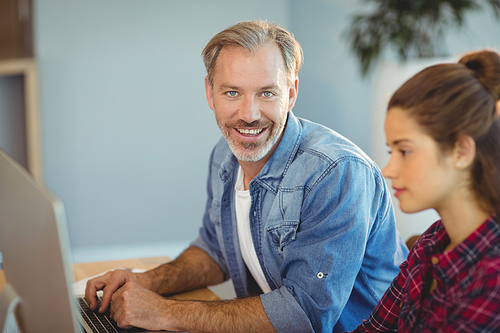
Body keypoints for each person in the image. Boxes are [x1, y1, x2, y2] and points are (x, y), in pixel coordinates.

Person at [85, 20, 407, 333]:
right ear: (210, 94)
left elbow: (305, 317)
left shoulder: (336, 174)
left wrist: (164, 312)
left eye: (266, 93)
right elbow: (216, 251)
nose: (249, 115)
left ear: (291, 93)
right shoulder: (225, 156)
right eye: (232, 93)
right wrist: (144, 281)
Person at [350, 49, 500, 332]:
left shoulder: (493, 277)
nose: (387, 170)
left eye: (404, 151)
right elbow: (373, 329)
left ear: (461, 150)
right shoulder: (430, 243)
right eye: (390, 151)